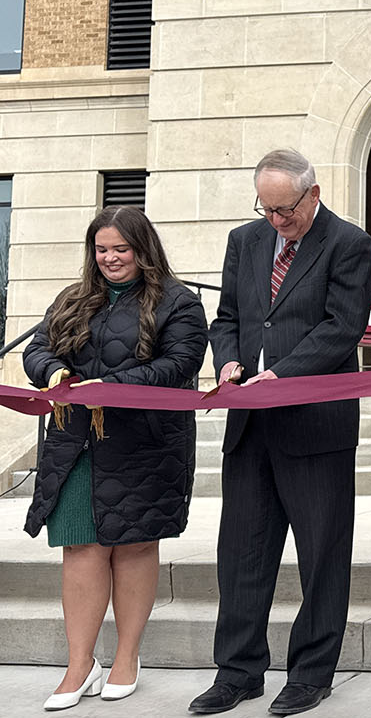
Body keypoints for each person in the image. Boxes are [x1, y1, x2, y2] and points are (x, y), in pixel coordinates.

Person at [192, 149, 371, 716]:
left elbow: (342, 328)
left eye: (285, 210)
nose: (276, 221)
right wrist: (228, 363)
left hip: (315, 425)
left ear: (313, 194)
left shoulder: (349, 243)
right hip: (250, 426)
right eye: (266, 209)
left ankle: (311, 673)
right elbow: (228, 319)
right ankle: (238, 672)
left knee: (322, 555)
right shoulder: (244, 241)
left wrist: (282, 374)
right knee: (241, 555)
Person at [23, 205, 206, 712]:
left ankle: (127, 656)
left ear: (142, 249)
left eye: (120, 249)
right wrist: (54, 373)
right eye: (101, 250)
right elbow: (36, 350)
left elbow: (181, 364)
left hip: (144, 445)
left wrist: (115, 385)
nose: (109, 259)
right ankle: (80, 664)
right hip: (75, 443)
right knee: (80, 548)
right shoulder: (73, 298)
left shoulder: (178, 302)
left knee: (134, 546)